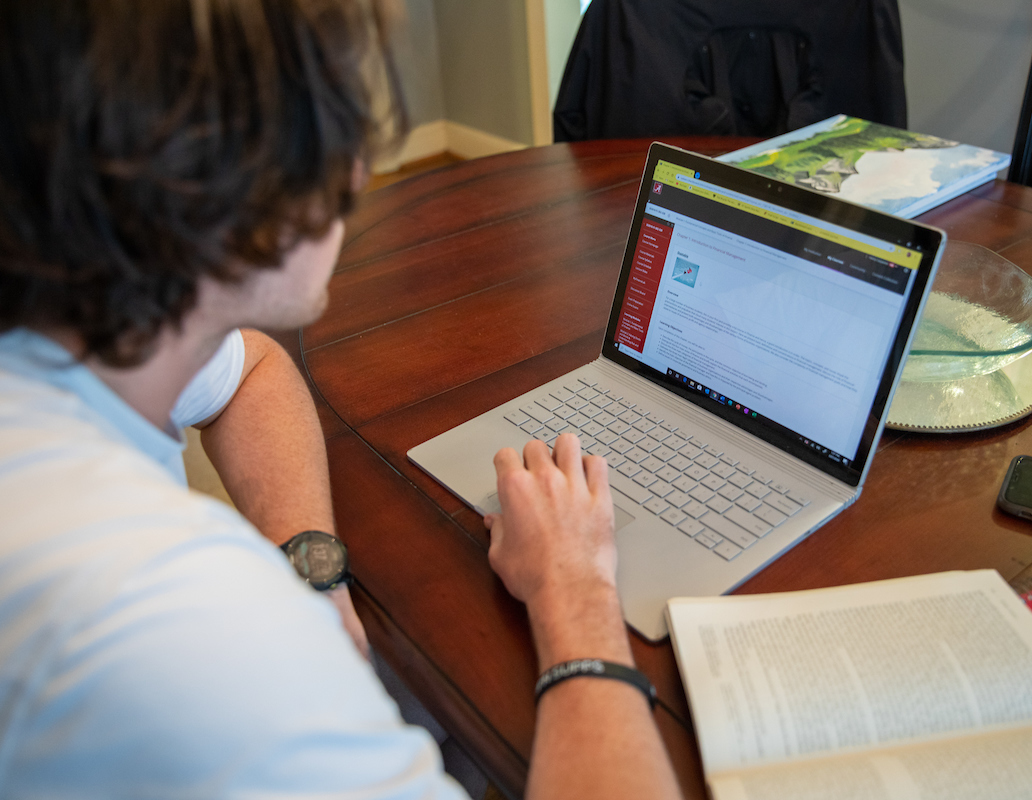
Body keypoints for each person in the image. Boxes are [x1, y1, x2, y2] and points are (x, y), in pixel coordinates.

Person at [0, 1, 683, 798]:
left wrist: (313, 574)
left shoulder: (87, 320)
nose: (356, 175)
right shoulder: (184, 627)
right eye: (334, 130)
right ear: (224, 193)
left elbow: (250, 367)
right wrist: (577, 591)